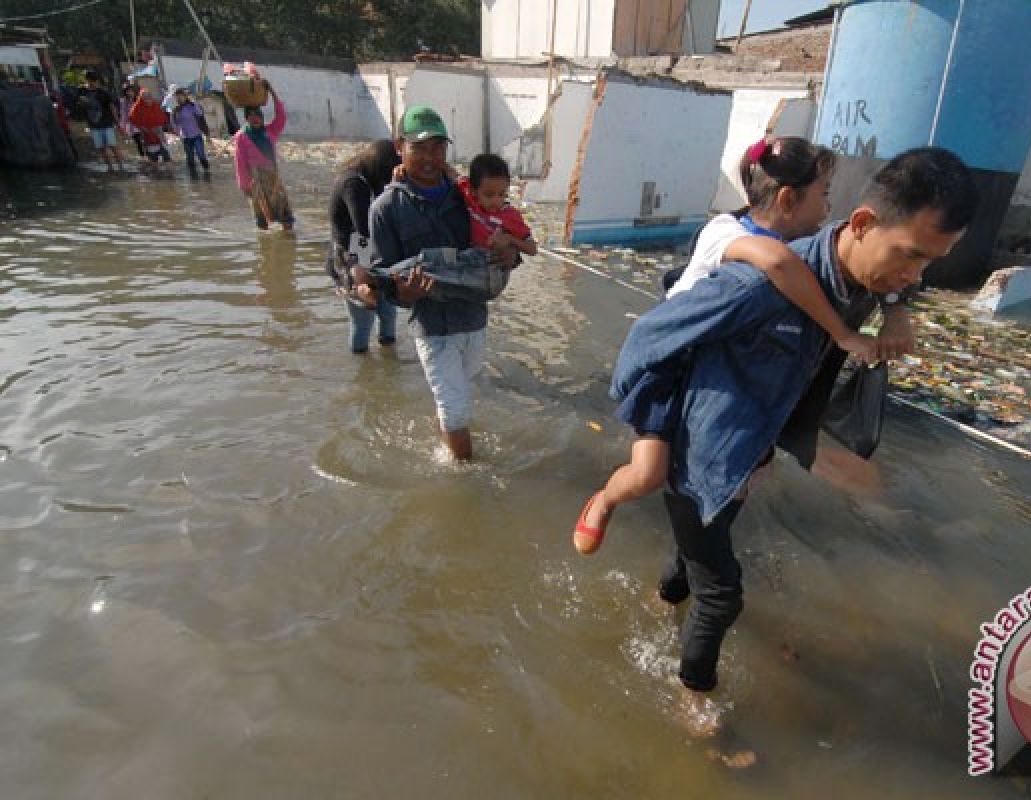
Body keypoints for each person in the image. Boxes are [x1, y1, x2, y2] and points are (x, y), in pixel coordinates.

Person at [607, 147, 979, 730]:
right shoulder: (758, 288)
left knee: (703, 545)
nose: (916, 275)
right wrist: (653, 436)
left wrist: (896, 304)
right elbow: (647, 342)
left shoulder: (862, 274)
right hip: (699, 455)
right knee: (724, 595)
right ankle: (692, 700)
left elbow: (888, 274)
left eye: (930, 264)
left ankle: (663, 600)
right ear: (861, 224)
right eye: (911, 258)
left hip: (747, 452)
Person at [573, 137, 880, 555]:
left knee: (741, 467)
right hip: (672, 365)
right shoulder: (726, 232)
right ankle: (604, 500)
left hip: (716, 374)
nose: (829, 209)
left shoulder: (797, 246)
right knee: (649, 473)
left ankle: (686, 557)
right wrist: (843, 334)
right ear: (789, 198)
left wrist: (894, 305)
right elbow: (776, 264)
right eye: (824, 195)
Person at [369, 106, 519, 461]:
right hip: (432, 326)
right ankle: (467, 479)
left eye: (437, 148)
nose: (429, 158)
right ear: (399, 147)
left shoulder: (464, 195)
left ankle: (443, 443)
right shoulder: (385, 209)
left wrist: (512, 254)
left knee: (458, 396)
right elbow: (383, 276)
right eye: (419, 148)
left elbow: (504, 233)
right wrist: (404, 293)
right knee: (455, 409)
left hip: (474, 319)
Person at [327, 139, 402, 353]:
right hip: (352, 260)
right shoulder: (353, 184)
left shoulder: (368, 181)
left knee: (388, 311)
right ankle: (362, 372)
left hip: (372, 255)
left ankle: (388, 359)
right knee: (363, 320)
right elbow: (365, 227)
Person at [233, 81, 294, 231]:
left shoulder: (270, 131)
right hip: (255, 180)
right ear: (246, 118)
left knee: (286, 217)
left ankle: (287, 244)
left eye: (257, 115)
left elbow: (281, 116)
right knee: (261, 219)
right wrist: (244, 184)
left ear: (262, 117)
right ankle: (265, 250)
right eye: (250, 116)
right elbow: (240, 161)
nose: (254, 119)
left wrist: (272, 92)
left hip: (272, 176)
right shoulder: (241, 136)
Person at [80, 70, 122, 169]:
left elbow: (112, 108)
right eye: (90, 81)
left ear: (97, 81)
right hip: (94, 125)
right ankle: (110, 167)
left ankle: (121, 166)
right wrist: (83, 103)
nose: (92, 83)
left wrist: (118, 123)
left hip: (107, 124)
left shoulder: (104, 92)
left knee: (113, 146)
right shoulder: (83, 92)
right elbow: (80, 108)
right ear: (86, 80)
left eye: (94, 81)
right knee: (101, 148)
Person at [171, 87, 211, 174]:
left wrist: (195, 102)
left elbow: (200, 114)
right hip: (186, 137)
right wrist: (177, 132)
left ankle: (207, 172)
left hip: (196, 135)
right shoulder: (176, 110)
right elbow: (175, 123)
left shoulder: (192, 106)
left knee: (201, 155)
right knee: (190, 158)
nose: (179, 98)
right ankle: (193, 177)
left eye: (181, 96)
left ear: (185, 96)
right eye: (177, 97)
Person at [128, 88, 172, 164]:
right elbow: (132, 118)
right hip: (147, 135)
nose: (147, 98)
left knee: (167, 157)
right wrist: (143, 128)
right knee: (153, 159)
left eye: (149, 96)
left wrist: (162, 127)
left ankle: (167, 171)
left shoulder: (155, 105)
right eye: (144, 96)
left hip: (159, 133)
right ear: (141, 98)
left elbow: (162, 117)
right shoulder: (137, 107)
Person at [117, 84, 145, 160]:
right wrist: (122, 127)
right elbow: (124, 115)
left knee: (145, 141)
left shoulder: (139, 100)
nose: (130, 93)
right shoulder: (124, 102)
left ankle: (149, 156)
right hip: (132, 126)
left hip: (142, 124)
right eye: (128, 91)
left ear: (134, 92)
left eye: (131, 91)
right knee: (138, 142)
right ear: (125, 92)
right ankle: (143, 157)